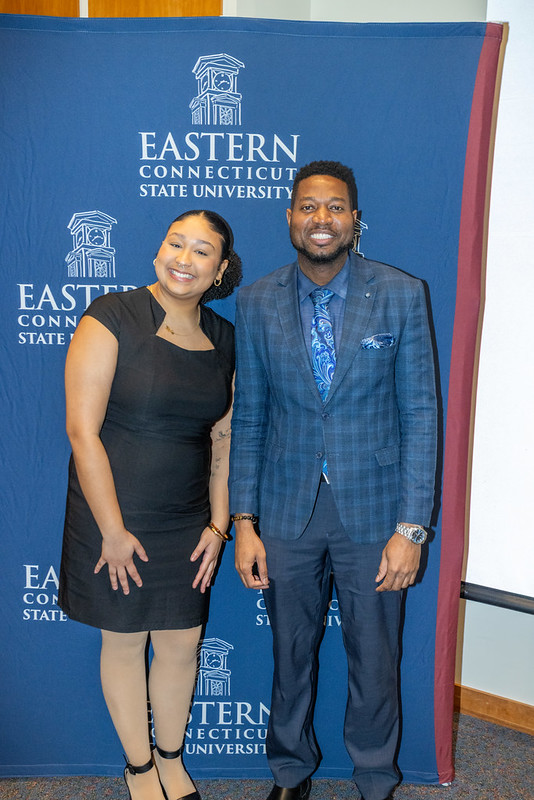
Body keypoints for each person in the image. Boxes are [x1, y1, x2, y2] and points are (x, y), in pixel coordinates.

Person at [229, 161, 437, 800]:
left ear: (355, 219)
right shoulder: (257, 299)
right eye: (309, 206)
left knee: (375, 658)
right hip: (285, 512)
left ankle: (374, 776)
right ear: (290, 217)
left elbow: (420, 415)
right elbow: (251, 415)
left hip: (375, 514)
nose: (322, 218)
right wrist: (243, 522)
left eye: (336, 207)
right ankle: (290, 772)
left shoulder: (401, 294)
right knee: (289, 655)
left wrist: (412, 528)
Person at [58, 209, 242, 800]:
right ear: (158, 251)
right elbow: (83, 432)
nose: (184, 259)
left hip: (188, 517)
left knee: (183, 643)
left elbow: (224, 438)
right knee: (124, 639)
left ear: (220, 270)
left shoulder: (225, 338)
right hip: (114, 512)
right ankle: (139, 768)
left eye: (202, 251)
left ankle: (170, 758)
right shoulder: (111, 315)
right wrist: (111, 531)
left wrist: (218, 524)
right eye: (175, 244)